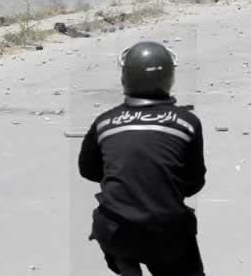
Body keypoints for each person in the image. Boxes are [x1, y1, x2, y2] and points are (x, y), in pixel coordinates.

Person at [79, 41, 206, 276]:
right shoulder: (187, 123)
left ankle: (127, 265)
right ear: (169, 77)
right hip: (168, 236)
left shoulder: (105, 122)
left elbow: (88, 170)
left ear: (125, 77)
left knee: (111, 223)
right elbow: (194, 182)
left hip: (117, 231)